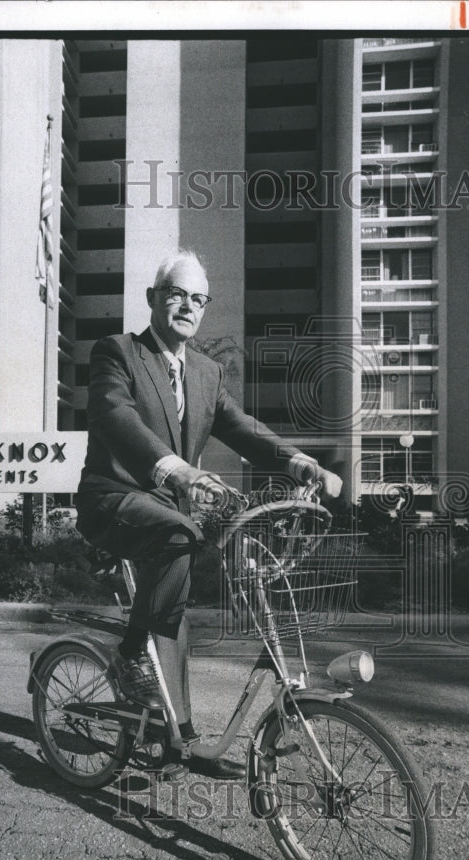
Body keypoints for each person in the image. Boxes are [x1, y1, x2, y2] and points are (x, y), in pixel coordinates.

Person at [75, 249, 341, 778]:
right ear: (153, 298)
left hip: (169, 513)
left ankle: (180, 742)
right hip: (114, 499)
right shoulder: (117, 352)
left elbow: (241, 428)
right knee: (179, 535)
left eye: (199, 299)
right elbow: (116, 416)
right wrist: (176, 470)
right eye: (177, 294)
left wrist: (298, 462)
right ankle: (131, 654)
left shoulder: (205, 371)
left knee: (174, 618)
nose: (188, 307)